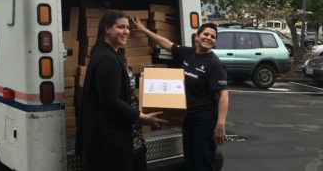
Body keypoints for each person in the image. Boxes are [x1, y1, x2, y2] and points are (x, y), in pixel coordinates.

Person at [132, 18, 229, 171]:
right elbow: (166, 43)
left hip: (205, 120)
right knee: (189, 158)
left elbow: (223, 96)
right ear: (197, 37)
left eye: (213, 37)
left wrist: (220, 124)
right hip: (189, 117)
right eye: (206, 34)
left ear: (215, 42)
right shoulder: (188, 53)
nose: (209, 38)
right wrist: (144, 30)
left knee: (203, 161)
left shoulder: (214, 64)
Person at [75, 9, 166, 171]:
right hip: (112, 140)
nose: (126, 31)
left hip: (125, 136)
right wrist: (141, 117)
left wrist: (147, 77)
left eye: (128, 27)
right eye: (121, 27)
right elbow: (110, 102)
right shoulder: (106, 59)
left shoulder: (111, 53)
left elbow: (122, 81)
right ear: (107, 29)